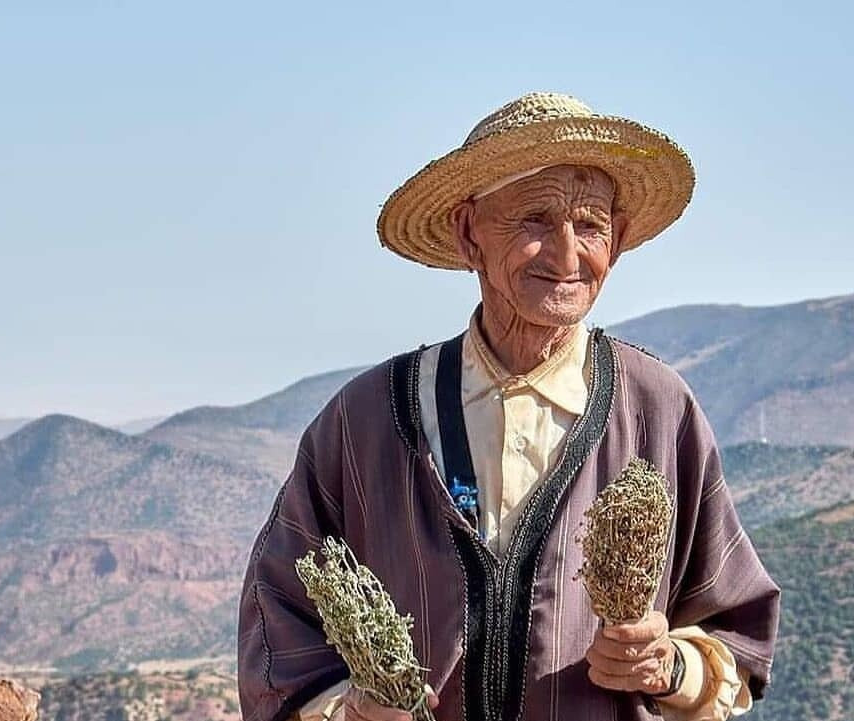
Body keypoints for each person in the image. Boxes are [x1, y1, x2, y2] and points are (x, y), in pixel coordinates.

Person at [237, 92, 779, 721]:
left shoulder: (657, 411)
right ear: (470, 233)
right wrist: (345, 710)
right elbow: (278, 623)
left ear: (620, 239)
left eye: (591, 226)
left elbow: (734, 629)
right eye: (534, 221)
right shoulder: (364, 421)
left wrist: (669, 667)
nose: (568, 255)